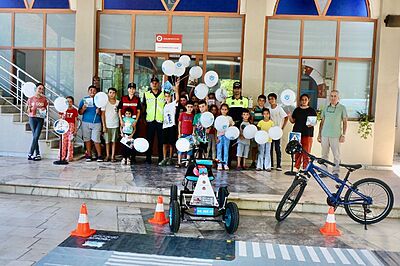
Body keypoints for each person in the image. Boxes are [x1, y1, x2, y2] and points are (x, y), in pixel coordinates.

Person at [317, 90, 348, 176]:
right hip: (324, 135)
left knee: (336, 155)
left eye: (335, 96)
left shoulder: (342, 108)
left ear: (338, 98)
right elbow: (322, 122)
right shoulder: (325, 108)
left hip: (336, 135)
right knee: (324, 155)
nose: (333, 98)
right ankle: (324, 171)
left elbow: (345, 122)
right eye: (331, 96)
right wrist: (319, 134)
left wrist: (343, 135)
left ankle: (336, 172)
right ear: (329, 97)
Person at [288, 93, 317, 171]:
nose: (304, 101)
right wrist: (290, 116)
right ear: (300, 101)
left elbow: (314, 122)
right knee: (297, 150)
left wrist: (311, 124)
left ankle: (305, 167)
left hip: (307, 133)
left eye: (305, 100)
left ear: (308, 100)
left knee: (306, 151)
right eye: (302, 100)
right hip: (297, 133)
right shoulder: (297, 110)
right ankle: (296, 166)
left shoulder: (311, 110)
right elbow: (293, 121)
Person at [143, 77, 165, 164]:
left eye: (156, 82)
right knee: (149, 140)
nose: (154, 84)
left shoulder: (163, 94)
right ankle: (148, 158)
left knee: (161, 140)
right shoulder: (146, 94)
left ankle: (161, 158)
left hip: (161, 120)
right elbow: (143, 107)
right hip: (150, 120)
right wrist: (143, 119)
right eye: (153, 82)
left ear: (158, 84)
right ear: (150, 84)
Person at [79, 85, 103, 162]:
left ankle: (99, 155)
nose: (92, 92)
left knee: (96, 139)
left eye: (94, 90)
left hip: (96, 122)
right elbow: (80, 112)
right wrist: (83, 109)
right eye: (91, 90)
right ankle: (89, 155)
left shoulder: (99, 100)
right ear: (88, 91)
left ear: (96, 92)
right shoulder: (84, 100)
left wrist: (98, 112)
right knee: (87, 139)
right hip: (85, 122)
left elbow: (102, 113)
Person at [118, 82, 141, 162]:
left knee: (133, 139)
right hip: (124, 122)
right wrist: (121, 120)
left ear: (135, 90)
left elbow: (138, 111)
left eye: (133, 88)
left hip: (133, 122)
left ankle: (132, 157)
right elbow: (119, 110)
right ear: (128, 89)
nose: (131, 90)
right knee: (124, 140)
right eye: (130, 88)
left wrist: (136, 121)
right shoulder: (123, 98)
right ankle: (124, 156)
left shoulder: (137, 99)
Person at [26, 83, 48, 161]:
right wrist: (29, 108)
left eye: (42, 89)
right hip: (32, 118)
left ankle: (30, 153)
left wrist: (43, 110)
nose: (41, 90)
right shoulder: (30, 99)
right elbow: (28, 111)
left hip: (40, 119)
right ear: (36, 89)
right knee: (35, 136)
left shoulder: (44, 99)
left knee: (36, 136)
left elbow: (45, 109)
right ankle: (37, 153)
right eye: (39, 88)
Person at [159, 83, 179, 167]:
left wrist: (176, 89)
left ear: (171, 97)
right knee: (164, 143)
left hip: (171, 126)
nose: (167, 98)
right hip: (165, 126)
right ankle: (164, 158)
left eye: (168, 96)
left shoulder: (173, 104)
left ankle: (170, 158)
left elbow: (177, 98)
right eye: (166, 96)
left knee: (171, 143)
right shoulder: (163, 105)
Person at [267, 92, 288, 171]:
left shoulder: (279, 108)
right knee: (270, 148)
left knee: (277, 148)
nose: (271, 100)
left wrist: (282, 128)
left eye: (272, 99)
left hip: (277, 131)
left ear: (275, 99)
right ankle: (271, 164)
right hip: (270, 131)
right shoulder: (268, 109)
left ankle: (279, 165)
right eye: (269, 99)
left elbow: (286, 118)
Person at [101, 88, 120, 162]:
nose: (112, 94)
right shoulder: (105, 103)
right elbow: (102, 115)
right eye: (110, 92)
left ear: (115, 94)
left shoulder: (118, 103)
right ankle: (107, 155)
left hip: (115, 124)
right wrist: (104, 125)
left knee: (114, 141)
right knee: (107, 142)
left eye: (113, 93)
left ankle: (113, 156)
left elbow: (119, 113)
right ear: (108, 93)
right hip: (107, 125)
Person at [250, 94, 267, 168]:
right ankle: (253, 162)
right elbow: (251, 119)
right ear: (257, 101)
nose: (261, 102)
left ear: (265, 102)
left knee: (262, 148)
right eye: (260, 100)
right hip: (255, 130)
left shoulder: (266, 110)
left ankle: (260, 162)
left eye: (263, 101)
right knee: (254, 147)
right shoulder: (254, 109)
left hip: (263, 131)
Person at [216, 104, 234, 170]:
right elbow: (216, 129)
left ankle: (225, 163)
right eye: (222, 109)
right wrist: (216, 137)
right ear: (220, 110)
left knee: (226, 150)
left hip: (227, 136)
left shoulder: (229, 118)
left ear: (227, 110)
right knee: (219, 150)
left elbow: (232, 126)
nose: (224, 111)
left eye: (225, 109)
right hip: (219, 136)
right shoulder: (218, 118)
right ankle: (219, 164)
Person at [177, 101, 195, 168]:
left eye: (191, 107)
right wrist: (179, 133)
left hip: (189, 135)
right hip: (183, 134)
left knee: (189, 149)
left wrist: (193, 132)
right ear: (186, 107)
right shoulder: (182, 114)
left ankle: (187, 163)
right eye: (188, 107)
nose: (190, 108)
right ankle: (179, 162)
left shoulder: (193, 116)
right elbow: (179, 124)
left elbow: (194, 125)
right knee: (180, 148)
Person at [61, 96, 78, 162]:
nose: (69, 103)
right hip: (64, 126)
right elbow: (61, 119)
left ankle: (69, 156)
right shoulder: (63, 110)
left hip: (71, 126)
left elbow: (76, 120)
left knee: (70, 142)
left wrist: (75, 130)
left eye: (70, 102)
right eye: (68, 101)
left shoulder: (74, 110)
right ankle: (62, 156)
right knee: (63, 141)